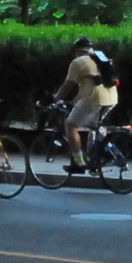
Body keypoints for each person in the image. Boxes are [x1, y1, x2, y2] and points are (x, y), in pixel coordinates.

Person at [51, 36, 118, 171]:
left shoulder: (78, 62)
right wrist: (75, 101)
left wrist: (55, 98)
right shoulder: (100, 58)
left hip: (94, 99)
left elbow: (68, 85)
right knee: (94, 125)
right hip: (112, 98)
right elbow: (89, 85)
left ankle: (79, 163)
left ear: (76, 51)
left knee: (70, 125)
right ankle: (104, 154)